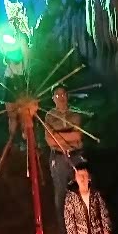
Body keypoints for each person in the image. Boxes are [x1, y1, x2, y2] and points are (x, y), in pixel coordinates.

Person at [45, 84, 84, 225]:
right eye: (57, 95)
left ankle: (82, 227)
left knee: (81, 190)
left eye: (63, 94)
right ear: (53, 98)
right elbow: (49, 140)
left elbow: (78, 136)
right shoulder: (49, 116)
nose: (61, 97)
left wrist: (57, 136)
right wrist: (69, 135)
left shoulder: (75, 113)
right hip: (58, 157)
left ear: (67, 96)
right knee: (61, 193)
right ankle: (64, 231)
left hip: (76, 155)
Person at [63, 160, 111, 234]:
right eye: (79, 176)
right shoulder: (71, 197)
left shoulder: (96, 194)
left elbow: (104, 212)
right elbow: (69, 218)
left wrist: (106, 230)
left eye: (84, 175)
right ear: (75, 178)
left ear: (89, 178)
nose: (82, 179)